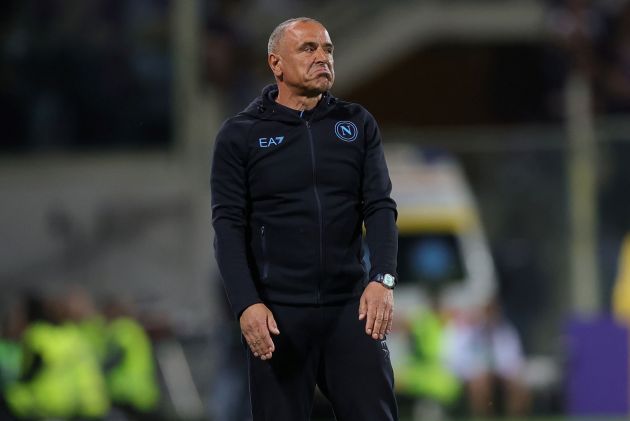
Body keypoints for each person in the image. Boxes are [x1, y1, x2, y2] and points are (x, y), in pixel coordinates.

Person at [210, 17, 399, 421]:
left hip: (350, 311)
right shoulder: (240, 135)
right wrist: (246, 305)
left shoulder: (357, 124)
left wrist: (382, 279)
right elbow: (228, 228)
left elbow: (380, 207)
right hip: (279, 314)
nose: (322, 58)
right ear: (276, 64)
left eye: (327, 49)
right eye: (308, 49)